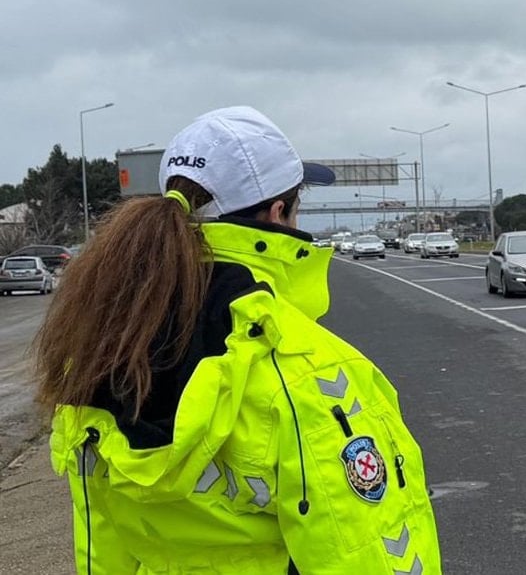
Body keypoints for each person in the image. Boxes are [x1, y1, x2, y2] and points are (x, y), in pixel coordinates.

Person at [33, 106, 440, 574]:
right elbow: (367, 554)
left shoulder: (99, 355)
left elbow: (101, 544)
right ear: (278, 213)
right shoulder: (310, 369)